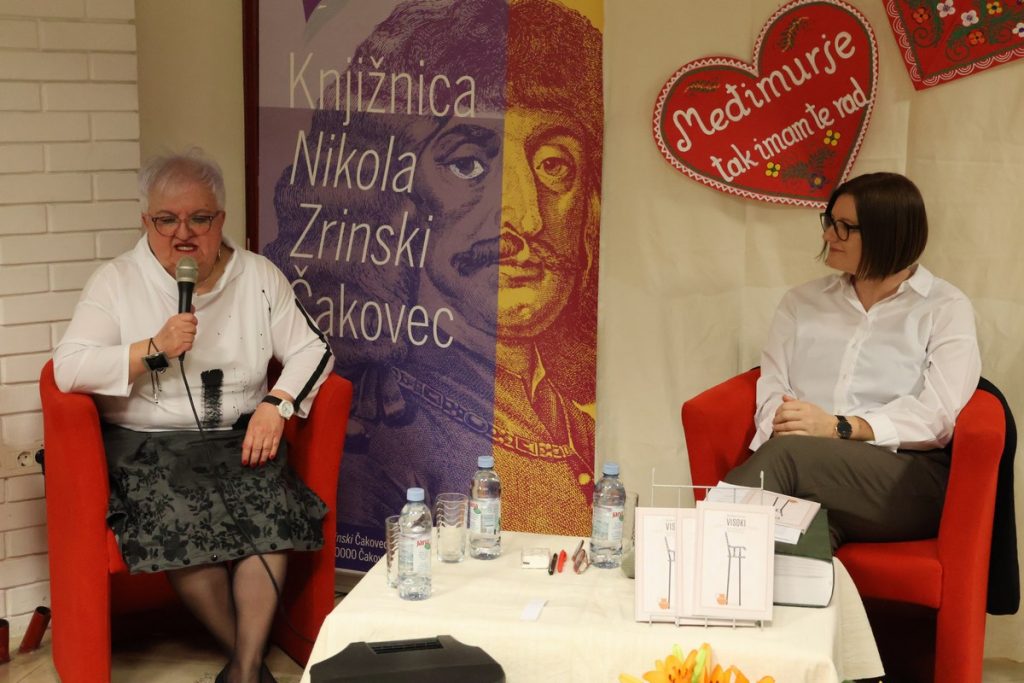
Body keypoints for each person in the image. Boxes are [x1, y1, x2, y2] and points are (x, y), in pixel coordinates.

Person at [266, 0, 601, 538]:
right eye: (467, 164)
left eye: (553, 165)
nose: (526, 218)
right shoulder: (386, 429)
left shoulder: (571, 423)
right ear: (394, 196)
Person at [53, 150, 334, 683]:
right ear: (146, 221)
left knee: (269, 514)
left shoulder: (258, 275)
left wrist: (277, 404)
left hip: (240, 434)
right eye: (166, 220)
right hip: (149, 443)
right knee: (179, 518)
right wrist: (152, 349)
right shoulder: (116, 281)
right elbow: (68, 369)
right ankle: (250, 668)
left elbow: (313, 350)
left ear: (220, 219)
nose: (182, 234)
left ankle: (243, 672)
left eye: (198, 218)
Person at [723, 172, 981, 550]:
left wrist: (838, 427)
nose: (829, 235)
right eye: (829, 222)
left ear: (887, 233)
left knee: (786, 459)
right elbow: (773, 384)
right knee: (794, 537)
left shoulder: (945, 307)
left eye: (844, 227)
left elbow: (936, 416)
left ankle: (690, 558)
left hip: (904, 476)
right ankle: (804, 580)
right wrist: (785, 422)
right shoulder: (801, 303)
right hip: (811, 467)